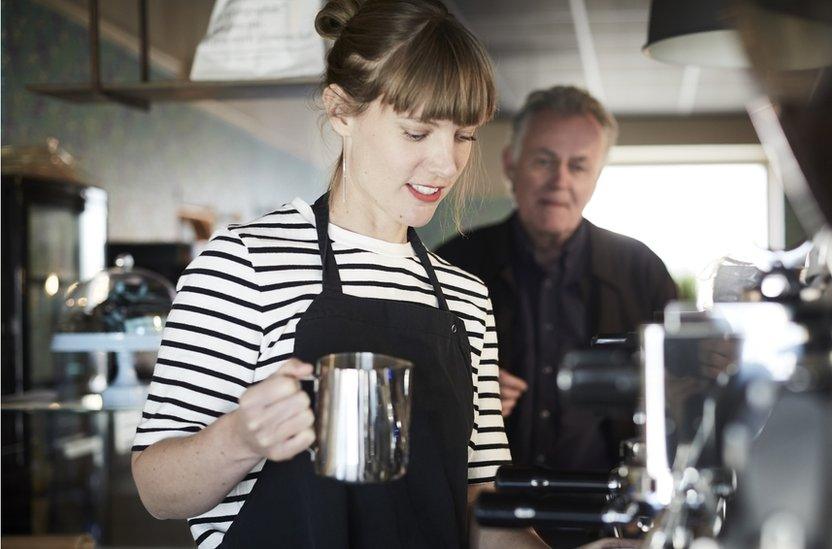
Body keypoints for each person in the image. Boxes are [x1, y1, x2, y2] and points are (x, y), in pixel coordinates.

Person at [130, 2, 553, 547]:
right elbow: (156, 490)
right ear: (341, 111)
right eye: (418, 132)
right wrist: (240, 437)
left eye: (465, 136)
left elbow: (480, 501)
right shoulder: (245, 265)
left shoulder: (465, 297)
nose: (446, 164)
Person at [437, 86, 677, 474]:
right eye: (543, 162)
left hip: (609, 516)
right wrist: (461, 394)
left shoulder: (642, 270)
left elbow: (681, 393)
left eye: (578, 166)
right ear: (510, 164)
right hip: (484, 509)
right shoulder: (452, 265)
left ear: (596, 178)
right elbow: (417, 397)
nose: (559, 181)